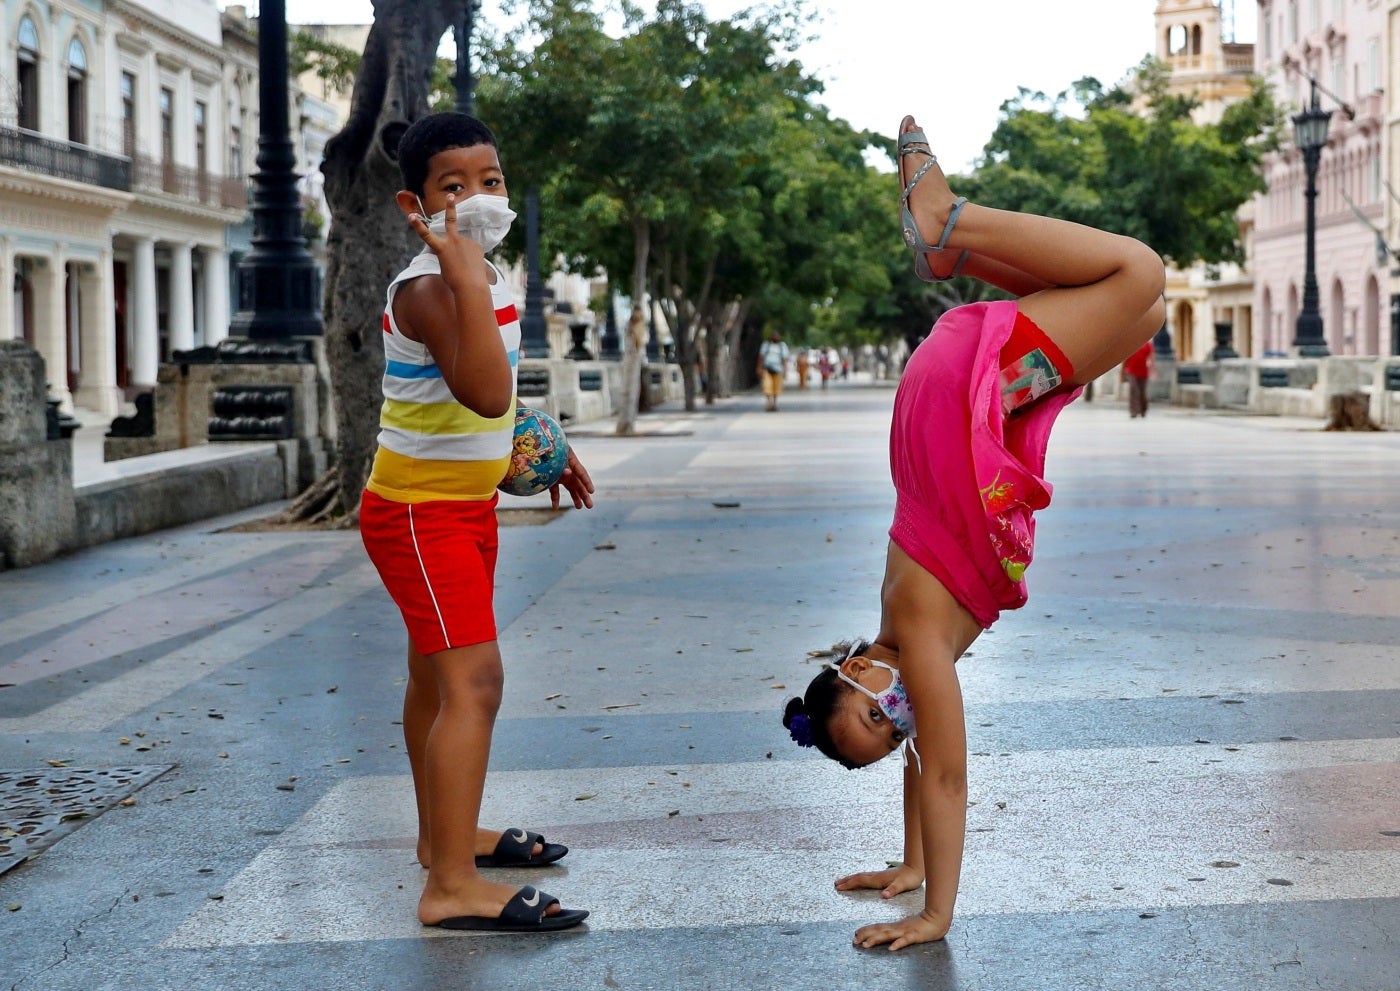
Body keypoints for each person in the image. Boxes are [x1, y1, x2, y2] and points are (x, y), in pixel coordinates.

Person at [781, 115, 1165, 952]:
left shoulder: (916, 641)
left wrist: (934, 915)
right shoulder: (901, 644)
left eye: (872, 712)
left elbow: (947, 776)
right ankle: (952, 247)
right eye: (887, 732)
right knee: (1141, 313)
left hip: (956, 414)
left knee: (1139, 270)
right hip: (948, 415)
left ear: (853, 667)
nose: (895, 719)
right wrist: (908, 864)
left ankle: (951, 226)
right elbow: (923, 765)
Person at [358, 112, 595, 934]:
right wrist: (460, 274)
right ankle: (451, 884)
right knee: (475, 682)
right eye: (451, 188)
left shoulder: (489, 278)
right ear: (413, 207)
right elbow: (483, 391)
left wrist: (541, 444)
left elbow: (494, 400)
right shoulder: (429, 288)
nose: (479, 199)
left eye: (489, 181)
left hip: (463, 507)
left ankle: (442, 840)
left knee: (434, 676)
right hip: (420, 517)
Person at [1121, 337, 1156, 417]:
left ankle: (1143, 409)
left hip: (1143, 371)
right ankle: (1133, 410)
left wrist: (1154, 370)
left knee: (1142, 392)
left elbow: (1151, 358)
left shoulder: (1147, 345)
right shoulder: (1130, 345)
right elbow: (1125, 359)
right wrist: (1122, 373)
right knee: (1134, 389)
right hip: (1131, 371)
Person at [757, 330, 791, 411]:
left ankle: (774, 404)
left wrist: (785, 370)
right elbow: (761, 357)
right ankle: (769, 403)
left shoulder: (782, 346)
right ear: (771, 337)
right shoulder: (766, 345)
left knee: (777, 387)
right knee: (767, 386)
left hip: (778, 369)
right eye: (774, 335)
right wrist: (759, 367)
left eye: (777, 336)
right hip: (767, 368)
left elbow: (785, 359)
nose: (775, 337)